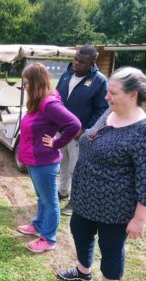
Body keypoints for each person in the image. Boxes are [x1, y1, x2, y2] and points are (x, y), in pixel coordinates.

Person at [57, 67, 146, 281]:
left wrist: (139, 219)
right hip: (85, 199)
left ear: (132, 94)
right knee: (79, 231)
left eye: (113, 92)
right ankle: (83, 272)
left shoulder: (141, 130)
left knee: (111, 250)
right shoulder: (110, 112)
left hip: (114, 208)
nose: (107, 96)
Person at [17, 63, 81, 253]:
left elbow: (74, 124)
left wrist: (57, 142)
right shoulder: (39, 101)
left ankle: (48, 238)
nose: (25, 86)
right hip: (34, 159)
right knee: (41, 197)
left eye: (27, 82)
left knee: (50, 201)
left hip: (44, 161)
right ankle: (38, 225)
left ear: (36, 83)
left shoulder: (49, 104)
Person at [56, 45, 109, 216]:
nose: (76, 63)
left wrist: (86, 129)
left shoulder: (99, 81)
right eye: (76, 59)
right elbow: (56, 98)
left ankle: (75, 201)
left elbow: (102, 109)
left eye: (81, 62)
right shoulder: (66, 75)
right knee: (62, 163)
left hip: (79, 134)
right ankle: (63, 191)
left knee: (76, 168)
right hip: (61, 130)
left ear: (92, 63)